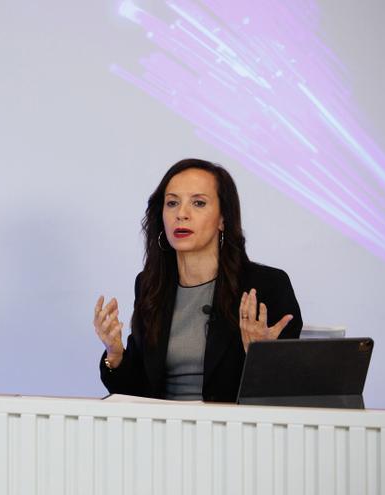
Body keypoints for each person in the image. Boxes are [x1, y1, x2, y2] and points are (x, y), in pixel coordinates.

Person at [94, 159, 301, 402]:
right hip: (160, 431)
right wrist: (115, 355)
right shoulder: (151, 285)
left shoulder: (265, 286)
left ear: (223, 219)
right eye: (172, 203)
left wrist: (262, 358)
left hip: (235, 434)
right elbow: (136, 393)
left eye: (198, 203)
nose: (181, 214)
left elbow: (288, 395)